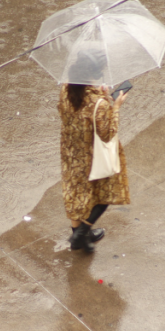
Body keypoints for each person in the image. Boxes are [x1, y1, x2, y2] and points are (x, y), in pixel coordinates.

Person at [57, 79, 130, 253]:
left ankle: (79, 238)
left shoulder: (66, 89)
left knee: (75, 193)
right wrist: (116, 106)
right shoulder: (100, 104)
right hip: (93, 156)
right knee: (106, 192)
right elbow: (108, 133)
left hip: (71, 152)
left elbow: (63, 111)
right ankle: (81, 233)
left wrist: (101, 95)